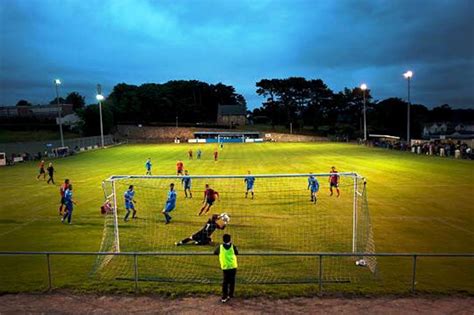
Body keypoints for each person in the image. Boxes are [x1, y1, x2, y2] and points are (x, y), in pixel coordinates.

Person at [214, 233, 238, 303]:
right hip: (233, 266)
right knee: (232, 281)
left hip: (225, 267)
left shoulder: (220, 247)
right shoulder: (233, 246)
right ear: (230, 240)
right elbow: (237, 252)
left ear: (223, 240)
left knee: (225, 282)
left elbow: (215, 252)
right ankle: (231, 294)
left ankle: (224, 296)